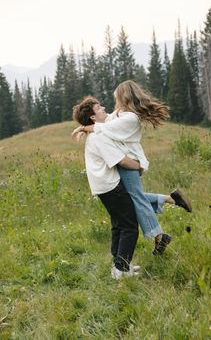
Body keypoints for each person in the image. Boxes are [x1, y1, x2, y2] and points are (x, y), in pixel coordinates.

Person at [73, 80, 192, 255]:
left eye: (116, 98)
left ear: (123, 97)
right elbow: (108, 121)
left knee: (135, 198)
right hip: (127, 160)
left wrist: (84, 127)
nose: (113, 103)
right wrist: (86, 126)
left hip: (129, 161)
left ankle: (159, 236)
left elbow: (106, 128)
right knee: (131, 198)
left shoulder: (130, 117)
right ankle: (170, 200)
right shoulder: (122, 113)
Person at [72, 96, 142, 280]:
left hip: (103, 186)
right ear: (93, 117)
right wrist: (139, 166)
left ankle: (118, 264)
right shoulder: (98, 138)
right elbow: (121, 160)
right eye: (99, 108)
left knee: (118, 225)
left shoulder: (96, 133)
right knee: (130, 226)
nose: (104, 109)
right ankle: (121, 269)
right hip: (110, 186)